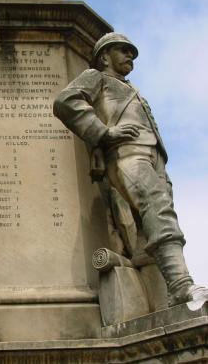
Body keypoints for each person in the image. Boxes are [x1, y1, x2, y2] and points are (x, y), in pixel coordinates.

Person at [53, 32, 208, 310]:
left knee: (148, 228)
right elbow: (66, 101)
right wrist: (103, 132)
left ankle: (165, 298)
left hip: (153, 157)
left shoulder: (129, 87)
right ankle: (181, 285)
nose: (130, 56)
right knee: (158, 209)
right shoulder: (96, 77)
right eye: (123, 50)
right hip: (127, 153)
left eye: (131, 52)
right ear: (104, 56)